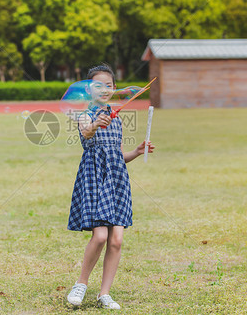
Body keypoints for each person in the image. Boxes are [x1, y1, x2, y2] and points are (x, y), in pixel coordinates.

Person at [66, 64, 155, 309]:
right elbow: (86, 134)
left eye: (108, 85)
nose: (104, 89)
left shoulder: (117, 119)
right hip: (95, 180)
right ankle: (81, 284)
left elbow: (116, 156)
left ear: (114, 89)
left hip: (116, 180)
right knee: (101, 235)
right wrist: (96, 125)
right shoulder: (86, 115)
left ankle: (104, 293)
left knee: (116, 240)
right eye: (97, 85)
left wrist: (136, 152)